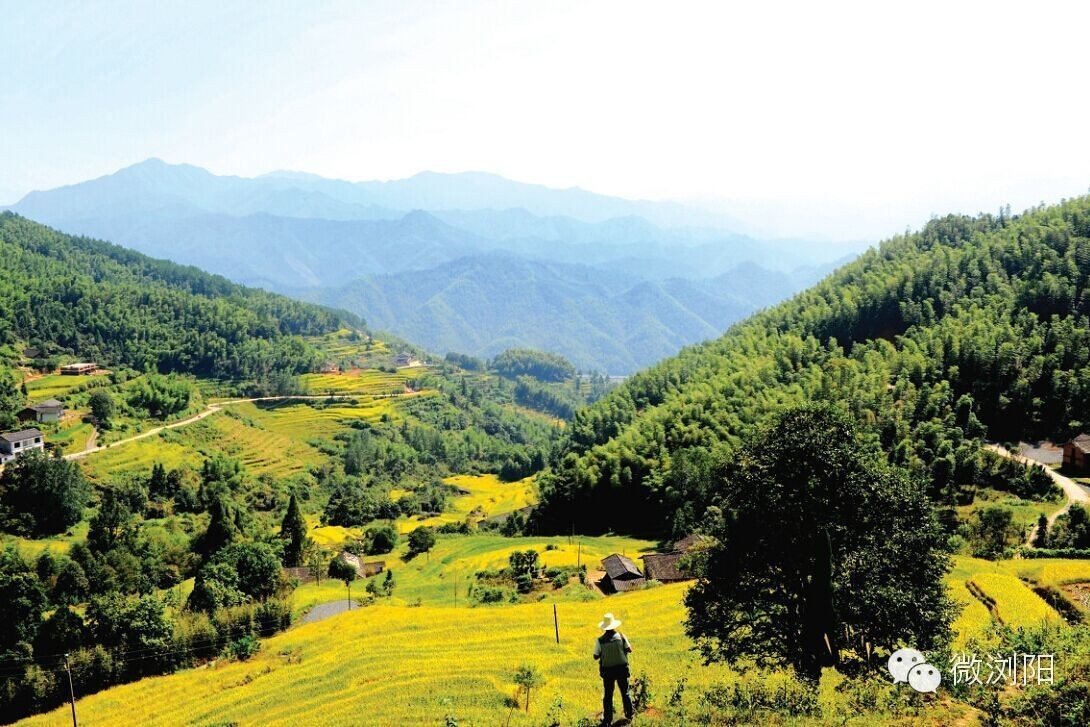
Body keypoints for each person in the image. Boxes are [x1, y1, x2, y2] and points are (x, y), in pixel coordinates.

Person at [593, 612, 633, 725]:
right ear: (614, 625)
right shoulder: (621, 636)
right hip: (622, 669)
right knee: (625, 692)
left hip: (608, 671)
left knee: (608, 695)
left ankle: (608, 718)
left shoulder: (600, 640)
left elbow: (595, 656)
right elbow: (630, 649)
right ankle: (630, 715)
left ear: (605, 627)